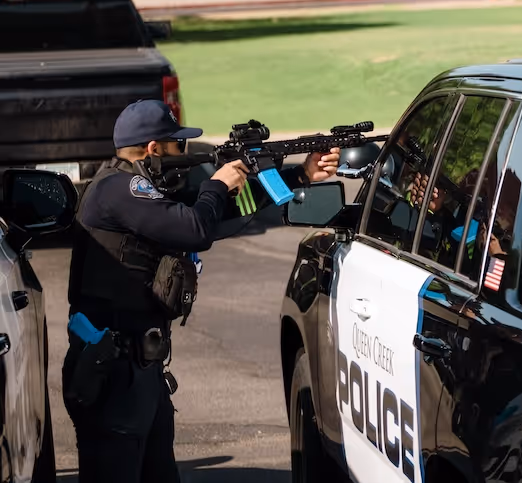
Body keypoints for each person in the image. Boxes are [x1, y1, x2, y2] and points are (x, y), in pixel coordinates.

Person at [61, 99, 341, 483]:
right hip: (112, 375)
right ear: (153, 149)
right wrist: (215, 182)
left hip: (140, 371)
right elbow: (195, 228)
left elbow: (216, 213)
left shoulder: (138, 188)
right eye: (178, 144)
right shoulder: (119, 189)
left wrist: (301, 176)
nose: (186, 151)